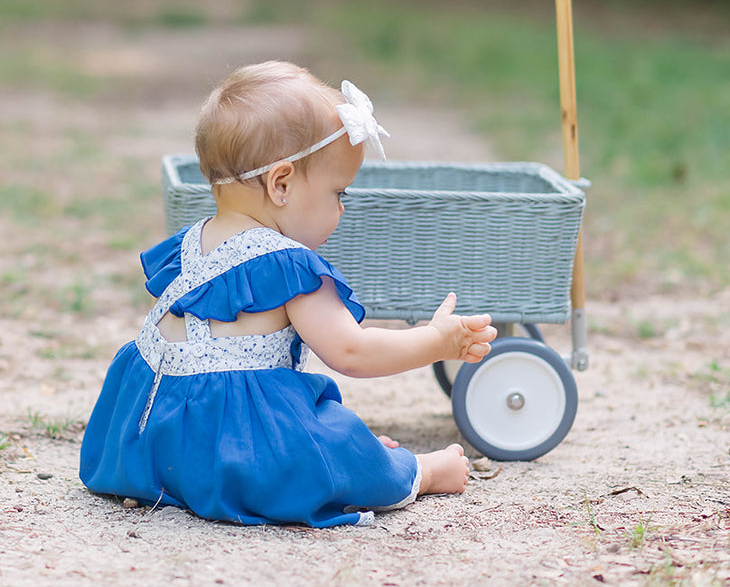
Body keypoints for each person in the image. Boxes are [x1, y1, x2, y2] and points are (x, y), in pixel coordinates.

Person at [79, 60, 496, 527]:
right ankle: (422, 472)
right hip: (237, 451)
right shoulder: (286, 265)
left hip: (152, 438)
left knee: (322, 429)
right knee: (329, 452)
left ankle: (177, 479)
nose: (341, 209)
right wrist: (436, 340)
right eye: (339, 192)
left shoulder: (190, 244)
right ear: (281, 184)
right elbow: (353, 351)